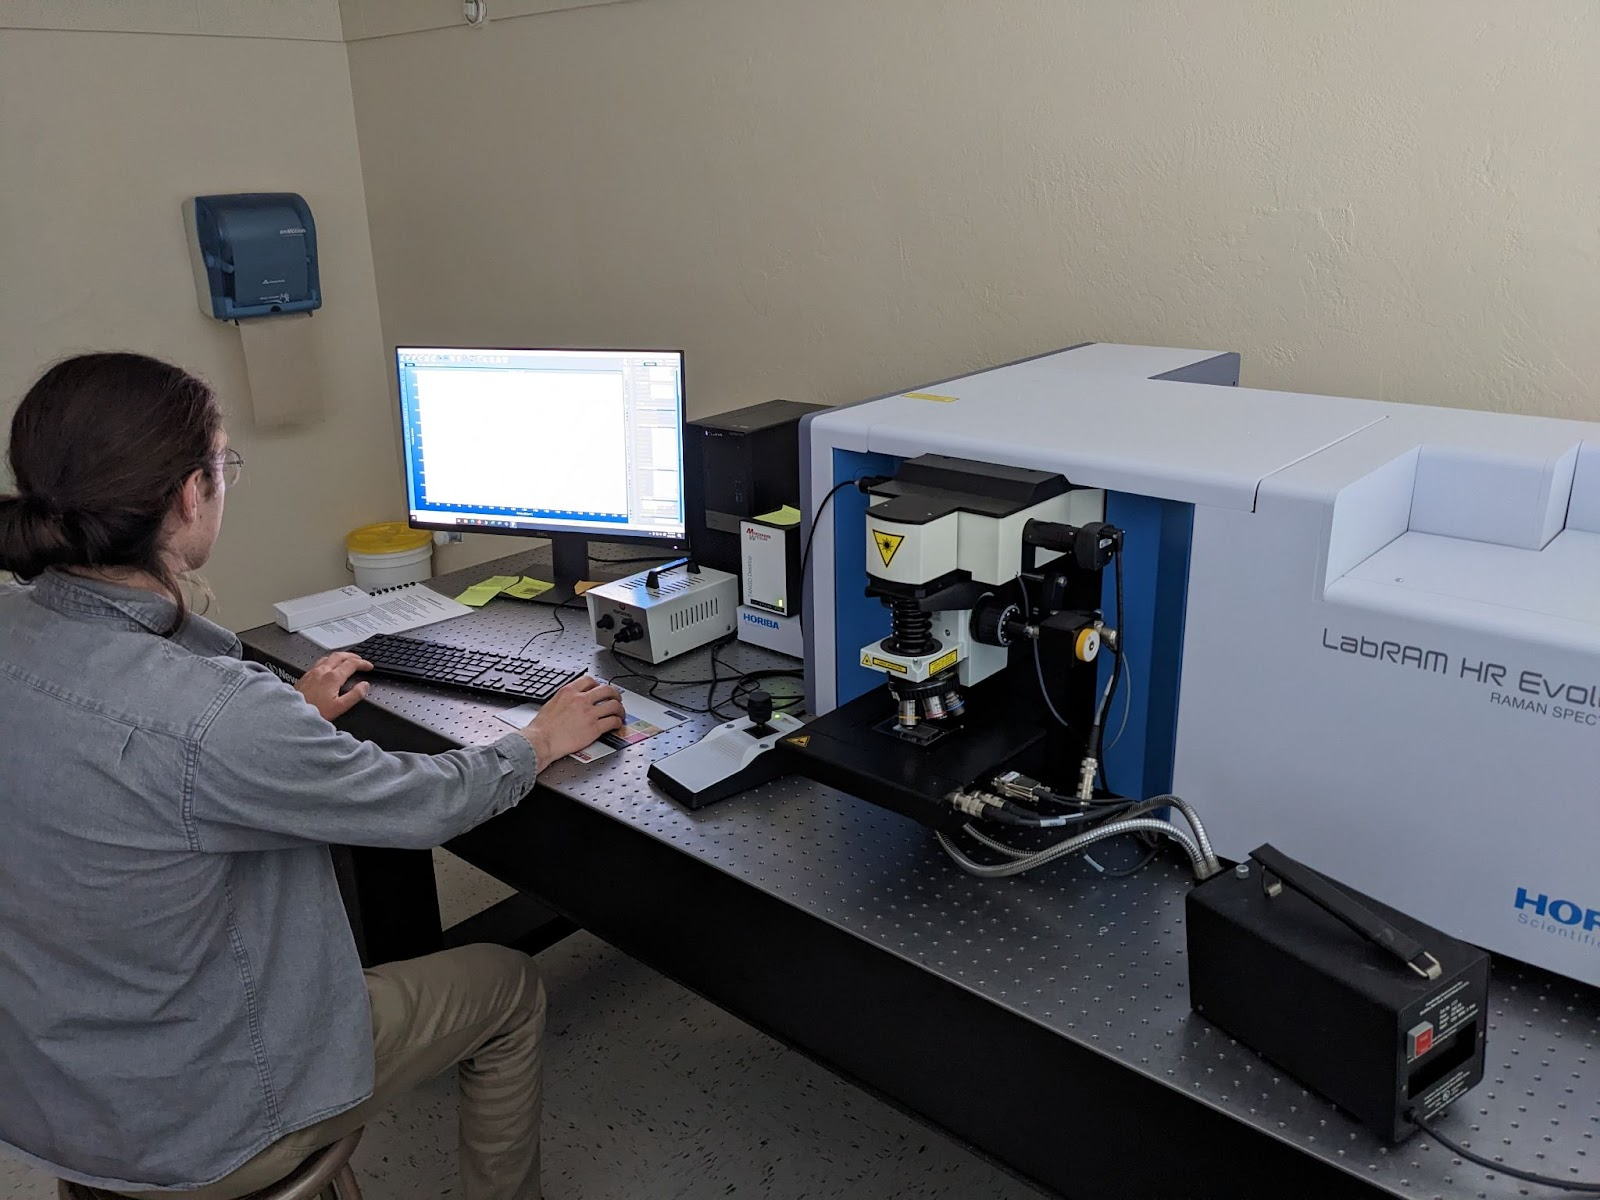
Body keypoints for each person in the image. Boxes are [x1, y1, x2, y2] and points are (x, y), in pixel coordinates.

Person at [0, 352, 623, 1200]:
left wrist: (279, 721)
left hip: (52, 1092)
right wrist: (541, 738)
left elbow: (140, 759)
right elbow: (423, 805)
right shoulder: (215, 719)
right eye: (225, 462)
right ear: (190, 494)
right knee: (507, 988)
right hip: (204, 1117)